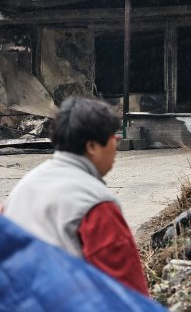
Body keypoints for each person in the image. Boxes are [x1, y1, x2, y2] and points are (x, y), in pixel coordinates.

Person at [2, 97, 149, 296]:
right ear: (92, 147)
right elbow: (127, 292)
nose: (117, 142)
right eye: (112, 136)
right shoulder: (95, 202)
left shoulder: (24, 187)